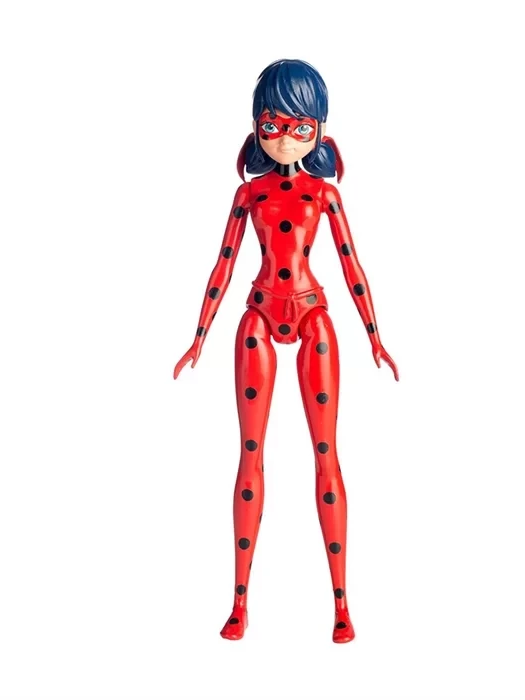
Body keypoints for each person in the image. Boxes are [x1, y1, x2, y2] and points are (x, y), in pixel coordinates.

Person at [173, 58, 398, 643]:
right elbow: (222, 267)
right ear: (256, 127)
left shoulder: (325, 194)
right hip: (258, 314)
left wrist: (375, 336)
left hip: (312, 313)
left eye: (301, 127)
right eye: (273, 124)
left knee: (326, 453)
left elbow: (352, 267)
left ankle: (342, 604)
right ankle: (239, 603)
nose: (285, 138)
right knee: (250, 452)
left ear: (319, 131)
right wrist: (198, 337)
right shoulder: (249, 194)